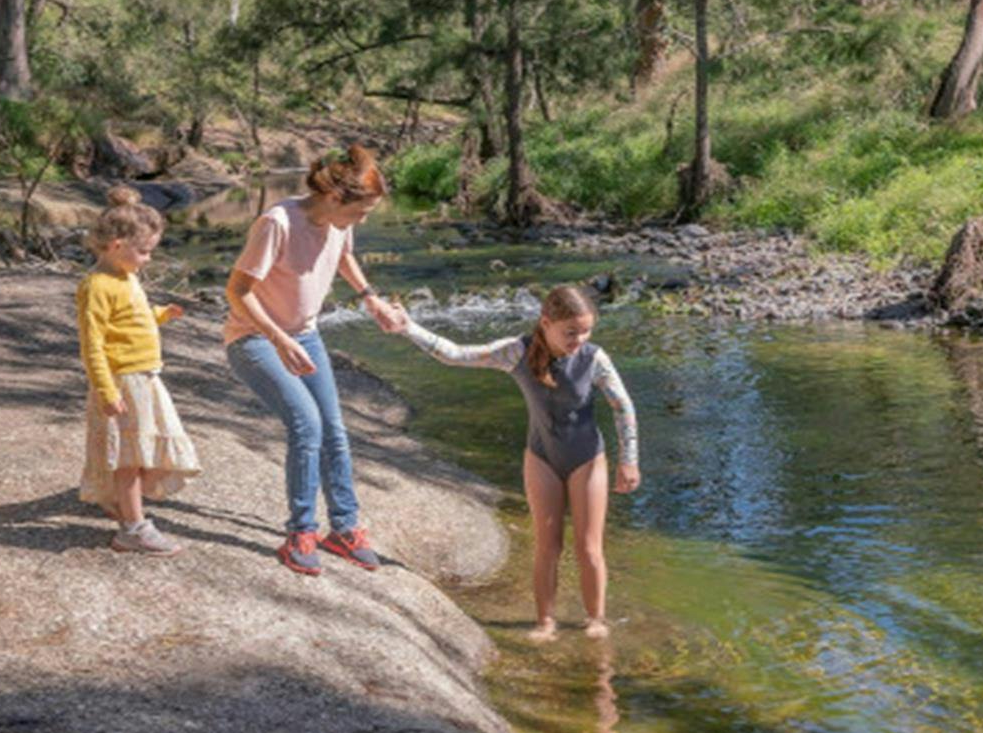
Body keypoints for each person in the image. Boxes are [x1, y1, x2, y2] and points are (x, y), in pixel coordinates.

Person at [388, 285, 640, 639]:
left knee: (588, 546)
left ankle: (595, 619)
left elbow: (623, 407)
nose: (579, 339)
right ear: (546, 323)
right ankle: (545, 622)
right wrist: (408, 327)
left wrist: (629, 461)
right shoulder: (515, 352)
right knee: (547, 545)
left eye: (586, 331)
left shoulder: (594, 358)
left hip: (587, 459)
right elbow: (456, 354)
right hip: (541, 458)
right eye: (571, 332)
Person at [223, 145, 404, 575]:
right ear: (335, 199)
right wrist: (279, 338)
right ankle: (300, 532)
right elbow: (237, 291)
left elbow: (343, 256)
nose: (363, 220)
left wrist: (371, 300)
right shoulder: (277, 223)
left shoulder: (339, 223)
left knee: (335, 430)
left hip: (306, 334)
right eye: (361, 212)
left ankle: (343, 529)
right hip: (254, 339)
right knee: (307, 424)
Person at [76, 187, 200, 556]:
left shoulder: (126, 276)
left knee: (154, 452)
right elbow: (93, 344)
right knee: (131, 456)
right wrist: (106, 390)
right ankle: (133, 526)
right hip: (122, 382)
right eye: (144, 251)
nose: (147, 259)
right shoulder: (96, 285)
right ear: (116, 245)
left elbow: (132, 317)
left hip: (146, 377)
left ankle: (122, 500)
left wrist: (160, 314)